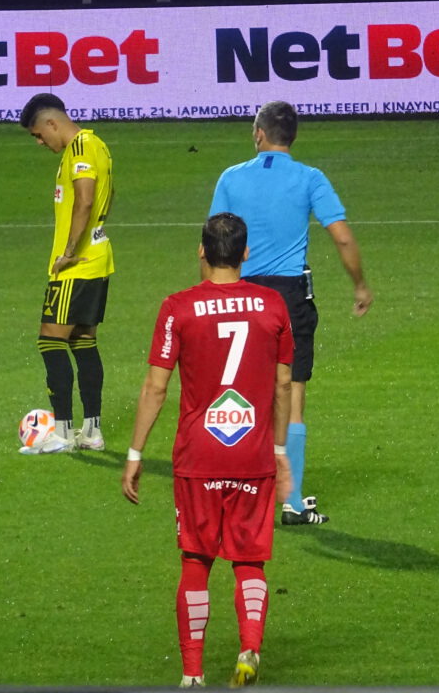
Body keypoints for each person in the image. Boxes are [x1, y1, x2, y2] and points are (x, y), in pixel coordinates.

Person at [122, 213, 294, 689]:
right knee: (250, 561)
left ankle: (193, 674)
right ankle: (249, 648)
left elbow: (156, 387)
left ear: (201, 250)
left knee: (196, 562)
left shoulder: (177, 308)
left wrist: (135, 454)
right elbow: (283, 384)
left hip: (199, 456)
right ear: (245, 253)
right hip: (251, 452)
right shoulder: (272, 305)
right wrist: (279, 449)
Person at [209, 101, 373, 525]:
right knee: (292, 393)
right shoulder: (310, 178)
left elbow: (210, 246)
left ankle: (241, 495)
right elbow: (342, 238)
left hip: (240, 295)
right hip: (288, 297)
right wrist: (359, 285)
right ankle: (292, 501)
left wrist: (211, 299)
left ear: (259, 134)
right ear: (292, 137)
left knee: (241, 395)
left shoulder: (231, 177)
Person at [19, 93, 113, 453]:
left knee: (50, 340)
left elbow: (85, 200)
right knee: (83, 341)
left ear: (51, 123)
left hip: (77, 266)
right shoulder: (98, 146)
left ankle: (60, 433)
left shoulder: (80, 148)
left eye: (38, 135)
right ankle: (92, 432)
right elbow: (109, 195)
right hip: (98, 259)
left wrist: (69, 252)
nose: (40, 142)